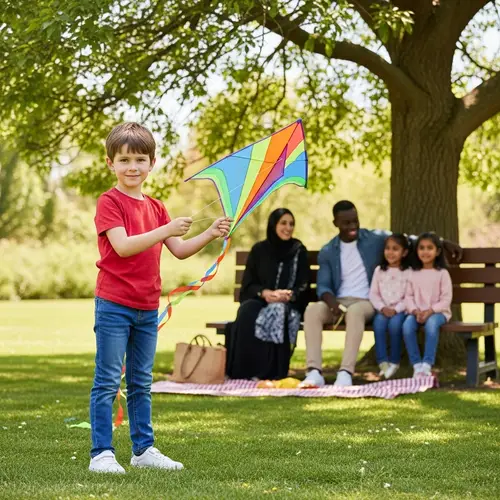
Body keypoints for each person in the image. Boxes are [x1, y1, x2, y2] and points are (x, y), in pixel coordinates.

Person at [89, 122, 231, 474]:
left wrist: (209, 233)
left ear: (152, 163)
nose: (132, 167)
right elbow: (122, 247)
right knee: (108, 379)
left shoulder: (156, 206)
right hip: (114, 304)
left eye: (140, 159)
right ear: (111, 163)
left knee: (140, 381)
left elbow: (179, 250)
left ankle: (143, 450)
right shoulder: (109, 202)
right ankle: (101, 453)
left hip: (146, 306)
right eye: (124, 160)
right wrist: (165, 230)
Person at [300, 200, 462, 388]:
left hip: (366, 301)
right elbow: (324, 286)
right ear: (335, 223)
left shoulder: (373, 239)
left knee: (355, 312)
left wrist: (442, 242)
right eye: (347, 223)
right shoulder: (328, 251)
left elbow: (406, 239)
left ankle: (345, 372)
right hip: (338, 302)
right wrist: (332, 303)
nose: (353, 227)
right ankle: (314, 372)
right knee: (312, 310)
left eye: (355, 221)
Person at [225, 208, 309, 380]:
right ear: (273, 225)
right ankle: (244, 370)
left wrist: (289, 295)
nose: (288, 228)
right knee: (247, 311)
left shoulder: (298, 250)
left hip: (288, 304)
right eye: (283, 223)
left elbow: (304, 285)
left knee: (277, 311)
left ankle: (272, 371)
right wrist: (265, 293)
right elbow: (248, 285)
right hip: (262, 299)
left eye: (291, 224)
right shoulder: (259, 250)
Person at [402, 232, 453, 377]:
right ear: (416, 251)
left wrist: (430, 311)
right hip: (416, 312)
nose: (425, 252)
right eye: (421, 248)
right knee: (407, 327)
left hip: (438, 313)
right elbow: (408, 296)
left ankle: (427, 364)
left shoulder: (442, 273)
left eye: (429, 248)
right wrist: (415, 311)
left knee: (431, 325)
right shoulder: (412, 273)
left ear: (437, 251)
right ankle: (416, 365)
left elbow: (446, 299)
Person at [369, 234, 411, 380]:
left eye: (395, 249)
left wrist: (397, 309)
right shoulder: (379, 271)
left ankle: (394, 362)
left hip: (400, 310)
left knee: (395, 326)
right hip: (383, 309)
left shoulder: (408, 272)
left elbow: (409, 296)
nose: (390, 252)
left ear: (404, 252)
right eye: (387, 248)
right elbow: (373, 294)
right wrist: (382, 308)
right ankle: (382, 362)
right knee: (379, 324)